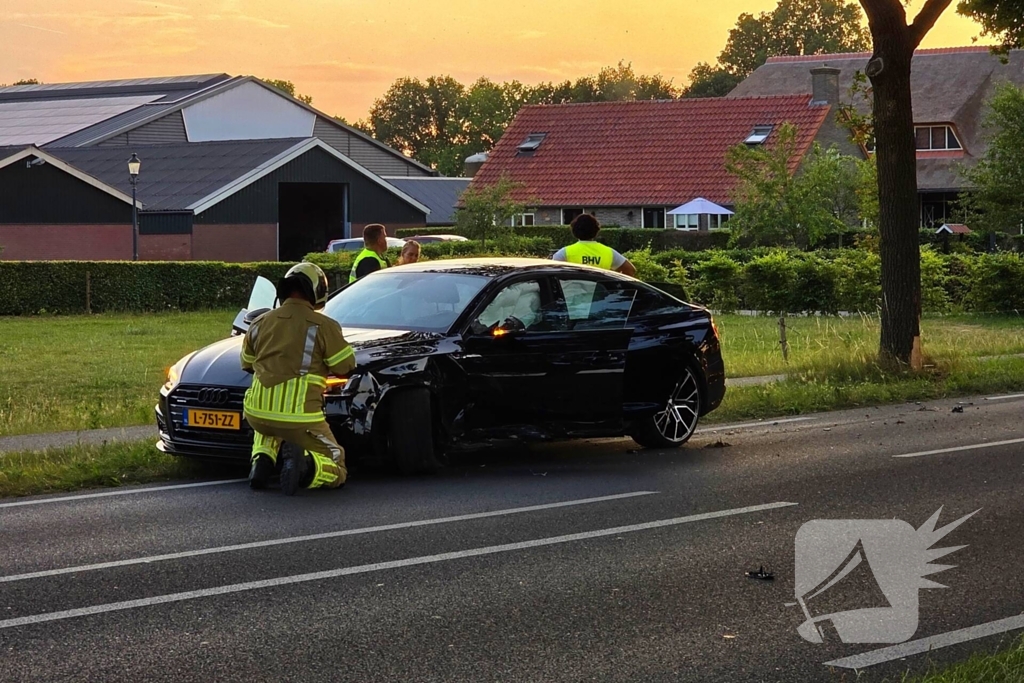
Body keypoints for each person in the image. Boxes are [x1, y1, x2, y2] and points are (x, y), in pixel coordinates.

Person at [241, 262, 356, 495]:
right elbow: (345, 367)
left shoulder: (259, 322)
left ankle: (261, 461)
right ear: (317, 291)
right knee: (337, 461)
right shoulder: (324, 325)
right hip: (301, 418)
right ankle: (307, 467)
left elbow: (246, 363)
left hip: (256, 414)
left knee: (270, 424)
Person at [552, 214, 636, 276]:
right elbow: (630, 270)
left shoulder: (564, 253)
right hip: (600, 294)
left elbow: (551, 272)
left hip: (570, 294)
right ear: (596, 231)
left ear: (574, 231)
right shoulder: (609, 252)